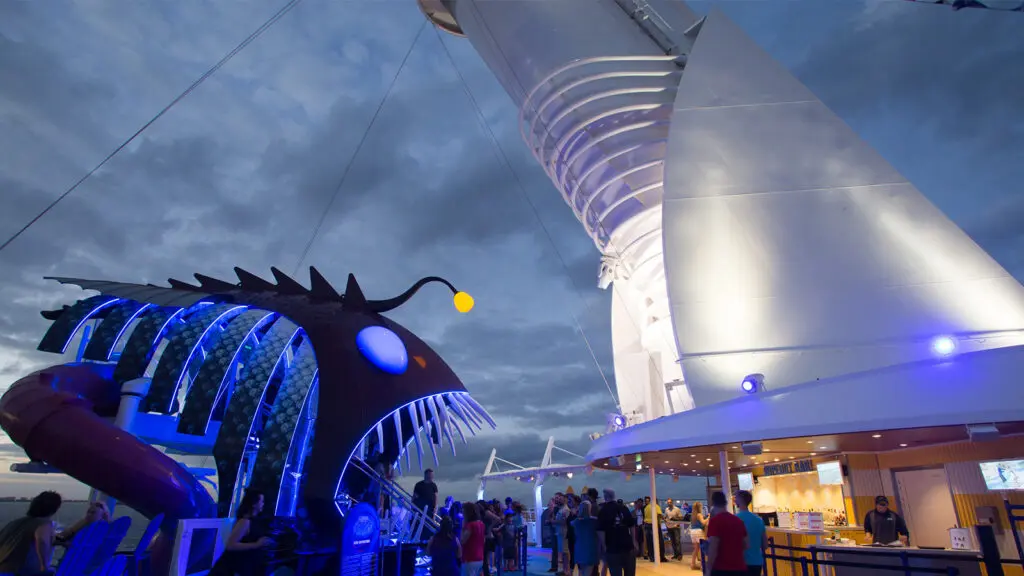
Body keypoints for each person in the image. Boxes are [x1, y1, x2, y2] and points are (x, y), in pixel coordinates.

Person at [209, 489, 272, 576]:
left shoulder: (254, 521)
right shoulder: (244, 522)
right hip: (231, 569)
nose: (263, 504)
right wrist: (256, 544)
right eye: (262, 501)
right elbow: (230, 545)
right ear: (254, 504)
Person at [0, 490, 62, 575]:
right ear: (55, 509)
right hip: (17, 572)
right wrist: (43, 566)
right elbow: (42, 541)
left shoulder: (15, 523)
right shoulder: (44, 523)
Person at [704, 491, 747, 576]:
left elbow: (713, 547)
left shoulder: (715, 521)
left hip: (721, 568)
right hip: (739, 567)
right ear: (725, 503)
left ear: (713, 503)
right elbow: (746, 545)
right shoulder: (738, 521)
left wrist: (708, 569)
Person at [596, 489, 635, 576]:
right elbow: (632, 525)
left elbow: (600, 530)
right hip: (627, 546)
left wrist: (604, 545)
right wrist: (634, 541)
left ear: (605, 497)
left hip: (612, 548)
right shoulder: (623, 508)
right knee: (630, 572)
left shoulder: (603, 510)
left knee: (615, 572)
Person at [735, 491, 767, 576]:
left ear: (740, 500)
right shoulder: (759, 520)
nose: (734, 500)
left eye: (736, 498)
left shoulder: (735, 519)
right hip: (757, 562)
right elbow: (765, 545)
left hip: (740, 562)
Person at [573, 501, 599, 576]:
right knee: (588, 571)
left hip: (579, 547)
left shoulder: (576, 522)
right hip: (590, 547)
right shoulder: (594, 521)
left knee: (582, 570)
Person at [461, 502, 486, 576]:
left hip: (470, 557)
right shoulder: (481, 524)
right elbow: (483, 540)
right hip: (480, 557)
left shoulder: (470, 525)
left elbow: (463, 540)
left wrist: (462, 527)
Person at [643, 497, 667, 563]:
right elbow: (659, 514)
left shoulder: (646, 507)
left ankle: (652, 557)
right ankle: (661, 557)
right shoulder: (656, 506)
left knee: (649, 542)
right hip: (654, 525)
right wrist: (665, 519)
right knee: (659, 541)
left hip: (646, 525)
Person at [688, 502, 707, 570]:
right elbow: (703, 522)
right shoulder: (699, 514)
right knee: (702, 549)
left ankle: (693, 564)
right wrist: (709, 517)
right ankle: (702, 566)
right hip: (699, 532)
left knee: (696, 549)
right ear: (699, 507)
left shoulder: (692, 515)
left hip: (693, 532)